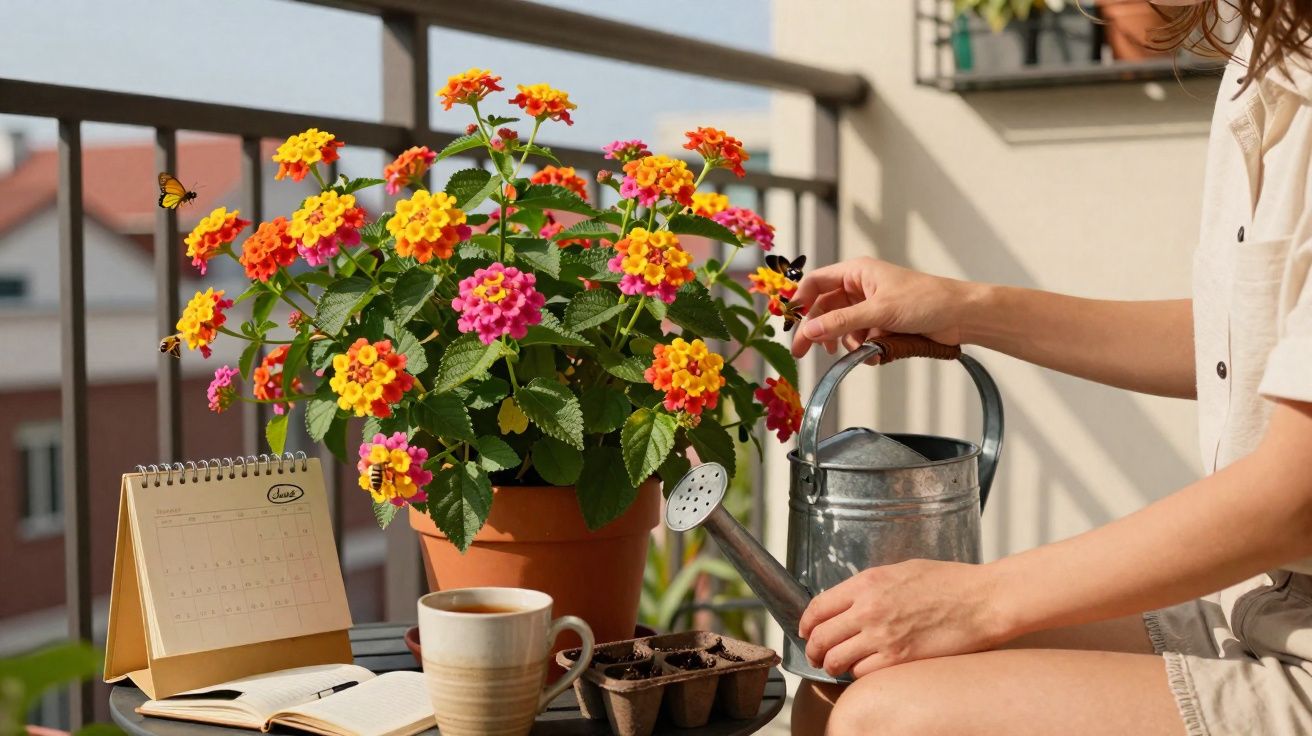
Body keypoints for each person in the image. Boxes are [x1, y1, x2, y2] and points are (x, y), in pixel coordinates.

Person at [785, 2, 1312, 734]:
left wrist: (976, 598)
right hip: (1269, 608)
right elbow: (1249, 346)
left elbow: (1296, 497)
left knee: (887, 717)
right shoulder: (1267, 67)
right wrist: (964, 308)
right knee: (839, 686)